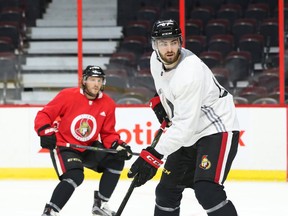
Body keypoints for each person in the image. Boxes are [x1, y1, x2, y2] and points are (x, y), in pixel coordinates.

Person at [128, 19, 240, 216]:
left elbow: (184, 127)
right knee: (166, 192)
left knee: (207, 191)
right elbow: (166, 87)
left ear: (180, 42)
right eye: (163, 43)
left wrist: (153, 155)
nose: (169, 48)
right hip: (189, 131)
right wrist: (161, 102)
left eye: (173, 42)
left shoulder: (189, 71)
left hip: (215, 127)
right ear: (155, 45)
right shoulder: (155, 60)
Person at [34, 65, 132, 216]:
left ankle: (100, 204)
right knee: (75, 176)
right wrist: (45, 132)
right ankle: (50, 211)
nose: (96, 84)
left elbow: (108, 133)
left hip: (88, 147)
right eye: (92, 80)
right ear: (84, 81)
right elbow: (45, 114)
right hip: (64, 145)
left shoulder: (108, 104)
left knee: (115, 161)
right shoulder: (67, 95)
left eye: (99, 80)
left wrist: (118, 146)